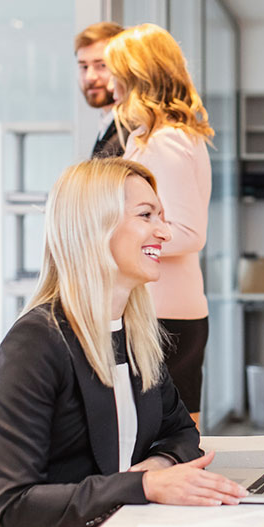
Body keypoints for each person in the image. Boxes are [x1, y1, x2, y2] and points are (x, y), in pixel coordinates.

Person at [0, 158, 246, 527]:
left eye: (162, 216)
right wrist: (143, 487)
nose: (164, 231)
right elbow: (19, 504)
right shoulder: (35, 344)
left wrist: (152, 473)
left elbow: (182, 434)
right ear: (93, 226)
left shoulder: (135, 334)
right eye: (146, 216)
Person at [103, 23, 213, 427]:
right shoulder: (149, 137)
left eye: (114, 71)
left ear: (136, 76)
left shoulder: (165, 141)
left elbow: (188, 232)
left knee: (171, 433)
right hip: (161, 308)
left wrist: (112, 239)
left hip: (166, 313)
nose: (109, 84)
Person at [75, 21, 126, 158]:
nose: (90, 77)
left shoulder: (133, 132)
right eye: (84, 67)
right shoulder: (107, 124)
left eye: (102, 65)